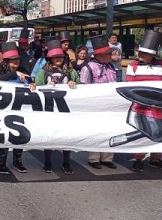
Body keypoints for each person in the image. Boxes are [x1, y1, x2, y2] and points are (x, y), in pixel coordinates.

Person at [34, 40, 79, 174]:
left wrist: (74, 83)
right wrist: (45, 87)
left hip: (66, 111)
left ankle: (66, 162)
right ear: (50, 59)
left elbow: (82, 86)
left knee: (67, 136)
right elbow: (36, 87)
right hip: (50, 110)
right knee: (50, 136)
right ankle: (48, 162)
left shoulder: (71, 71)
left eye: (60, 57)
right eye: (55, 57)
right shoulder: (43, 72)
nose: (58, 59)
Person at [0, 41, 35, 174]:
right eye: (13, 60)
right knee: (5, 136)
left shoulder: (23, 71)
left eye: (17, 60)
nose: (16, 62)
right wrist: (14, 74)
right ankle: (1, 163)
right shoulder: (0, 71)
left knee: (20, 136)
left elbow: (31, 82)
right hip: (4, 110)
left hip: (20, 109)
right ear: (6, 61)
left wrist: (31, 83)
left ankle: (18, 161)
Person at [125, 29, 162, 171]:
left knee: (159, 133)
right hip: (140, 107)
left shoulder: (160, 66)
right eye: (140, 53)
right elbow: (129, 86)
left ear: (152, 55)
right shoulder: (132, 67)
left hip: (158, 107)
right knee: (142, 133)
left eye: (144, 54)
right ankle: (138, 158)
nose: (140, 55)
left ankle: (156, 158)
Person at [79, 34, 117, 169]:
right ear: (100, 55)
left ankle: (107, 157)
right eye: (108, 54)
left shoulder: (111, 67)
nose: (110, 56)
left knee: (109, 131)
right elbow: (83, 90)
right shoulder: (88, 68)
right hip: (95, 107)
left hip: (110, 106)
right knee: (96, 132)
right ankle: (94, 158)